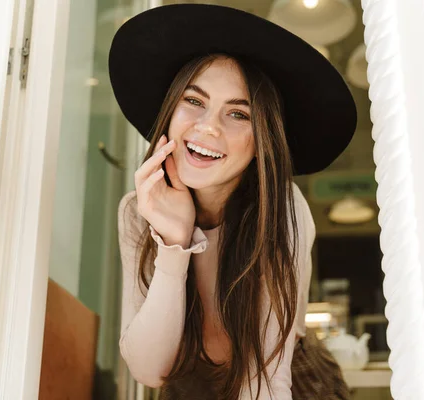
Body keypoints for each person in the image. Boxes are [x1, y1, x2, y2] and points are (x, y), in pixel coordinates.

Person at [109, 4, 357, 399]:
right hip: (191, 388)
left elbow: (266, 376)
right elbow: (148, 369)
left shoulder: (283, 208)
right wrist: (174, 242)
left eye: (238, 114)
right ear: (169, 111)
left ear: (263, 143)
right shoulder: (138, 209)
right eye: (194, 100)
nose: (207, 126)